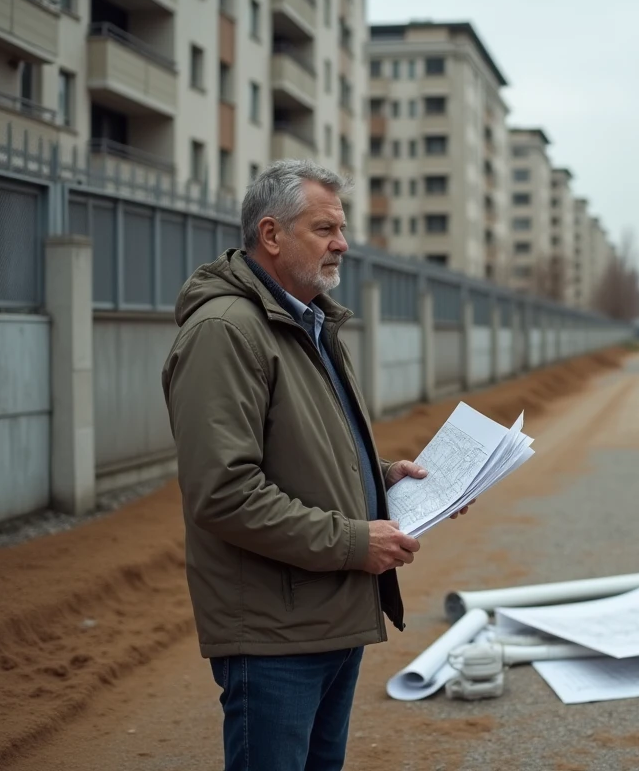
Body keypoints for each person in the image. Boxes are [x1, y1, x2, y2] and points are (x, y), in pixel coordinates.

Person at [161, 159, 469, 771]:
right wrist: (356, 541)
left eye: (342, 228)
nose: (343, 244)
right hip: (274, 634)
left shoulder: (307, 324)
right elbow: (225, 493)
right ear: (271, 236)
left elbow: (302, 454)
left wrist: (384, 479)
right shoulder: (227, 332)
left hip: (327, 615)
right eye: (325, 229)